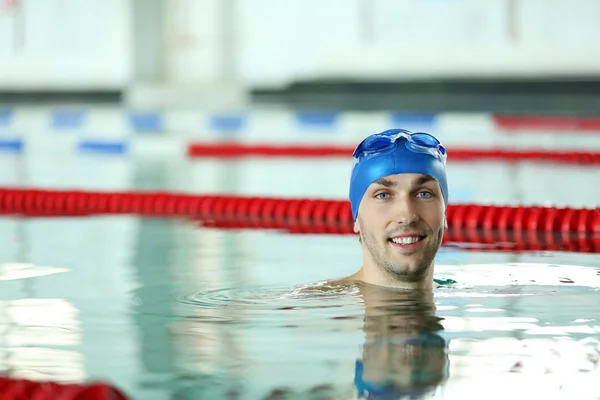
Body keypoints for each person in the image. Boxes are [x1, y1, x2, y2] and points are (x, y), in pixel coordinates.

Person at [334, 128, 449, 290]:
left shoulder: (472, 296)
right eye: (383, 195)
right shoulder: (314, 307)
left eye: (424, 194)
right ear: (357, 218)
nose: (407, 215)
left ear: (444, 215)